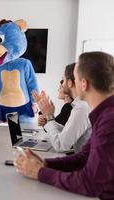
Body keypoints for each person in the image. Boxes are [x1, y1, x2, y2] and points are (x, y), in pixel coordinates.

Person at [14, 51, 114, 199]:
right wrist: (44, 163)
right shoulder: (104, 114)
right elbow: (83, 158)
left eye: (75, 76)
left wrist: (40, 172)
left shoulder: (109, 120)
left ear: (83, 84)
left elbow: (90, 183)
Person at [33, 63, 91, 153]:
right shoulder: (81, 105)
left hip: (83, 164)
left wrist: (50, 118)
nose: (61, 84)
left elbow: (60, 145)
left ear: (69, 83)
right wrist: (49, 120)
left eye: (63, 80)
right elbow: (66, 132)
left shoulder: (81, 108)